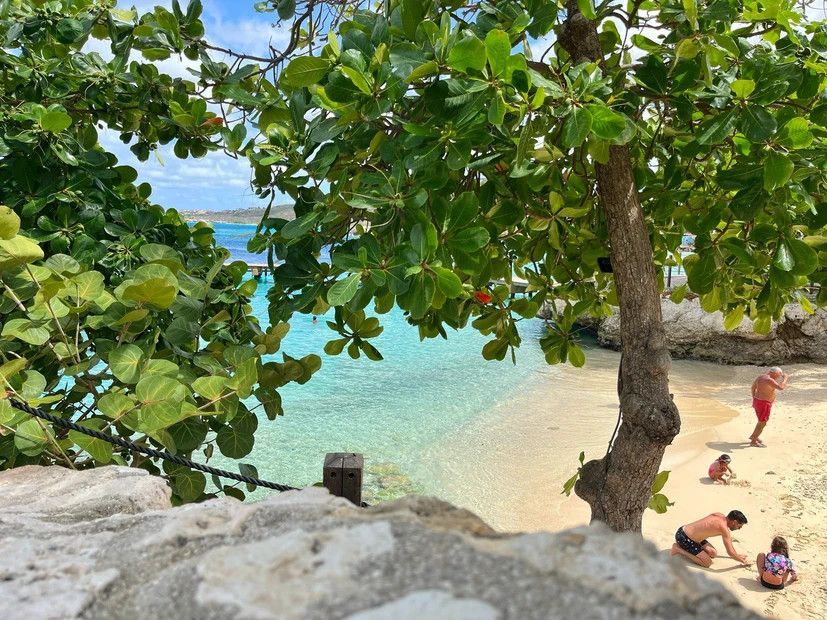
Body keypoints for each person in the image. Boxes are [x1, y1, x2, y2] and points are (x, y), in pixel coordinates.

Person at [670, 510, 749, 568]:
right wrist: (742, 561)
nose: (739, 528)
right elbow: (730, 552)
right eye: (739, 526)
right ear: (734, 522)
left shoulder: (719, 515)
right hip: (684, 538)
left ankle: (696, 550)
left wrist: (737, 555)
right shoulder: (723, 528)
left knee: (713, 553)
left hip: (684, 530)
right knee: (707, 563)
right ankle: (678, 549)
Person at [750, 367, 789, 447]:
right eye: (779, 374)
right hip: (764, 404)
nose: (779, 376)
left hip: (758, 401)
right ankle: (753, 442)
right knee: (762, 423)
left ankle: (754, 436)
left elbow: (753, 388)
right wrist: (785, 378)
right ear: (774, 373)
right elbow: (781, 387)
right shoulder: (769, 380)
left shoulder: (761, 377)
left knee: (760, 421)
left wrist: (754, 398)